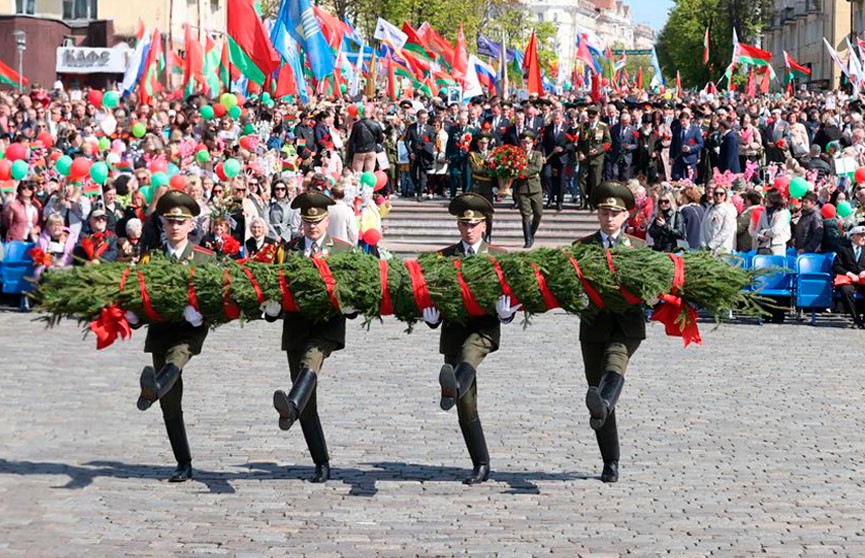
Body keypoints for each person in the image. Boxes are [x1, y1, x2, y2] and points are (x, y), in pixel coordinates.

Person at [421, 193, 519, 484]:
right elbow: (431, 293)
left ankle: (452, 387)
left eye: (474, 224)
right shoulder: (444, 258)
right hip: (454, 330)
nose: (468, 229)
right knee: (466, 404)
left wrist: (506, 313)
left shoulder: (499, 258)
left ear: (484, 226)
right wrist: (431, 317)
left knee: (469, 356)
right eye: (464, 224)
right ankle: (481, 462)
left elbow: (515, 294)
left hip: (484, 329)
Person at [264, 192, 355, 483]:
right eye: (307, 221)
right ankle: (321, 461)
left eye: (317, 221)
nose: (312, 226)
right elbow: (273, 283)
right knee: (307, 404)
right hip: (296, 327)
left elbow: (355, 288)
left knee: (310, 363)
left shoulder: (342, 251)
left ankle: (290, 404)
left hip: (326, 327)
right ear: (301, 223)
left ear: (327, 221)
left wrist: (350, 302)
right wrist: (271, 306)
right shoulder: (288, 250)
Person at [130, 190, 215, 482]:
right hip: (161, 330)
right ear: (163, 225)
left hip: (189, 331)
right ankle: (183, 462)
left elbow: (219, 298)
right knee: (170, 403)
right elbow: (141, 296)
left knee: (177, 359)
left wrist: (201, 312)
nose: (175, 227)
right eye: (170, 222)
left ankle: (153, 386)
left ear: (192, 225)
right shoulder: (151, 260)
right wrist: (133, 316)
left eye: (181, 222)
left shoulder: (204, 259)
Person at [574, 181, 645, 483]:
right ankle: (610, 460)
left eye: (615, 213)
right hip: (593, 326)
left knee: (614, 368)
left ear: (626, 216)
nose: (609, 218)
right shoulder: (582, 248)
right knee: (598, 394)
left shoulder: (638, 248)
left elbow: (650, 287)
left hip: (626, 327)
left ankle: (610, 458)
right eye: (604, 212)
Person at [513, 131, 545, 248]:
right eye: (524, 142)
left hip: (536, 188)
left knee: (538, 213)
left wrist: (522, 172)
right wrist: (523, 172)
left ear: (533, 144)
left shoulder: (537, 155)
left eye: (529, 143)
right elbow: (513, 170)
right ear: (520, 143)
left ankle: (531, 234)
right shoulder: (516, 155)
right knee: (525, 215)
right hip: (522, 189)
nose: (526, 145)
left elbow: (537, 168)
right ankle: (527, 240)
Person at [577, 105, 610, 210]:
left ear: (598, 115)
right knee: (581, 178)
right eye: (589, 114)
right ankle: (583, 201)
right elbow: (579, 143)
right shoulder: (583, 126)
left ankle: (593, 202)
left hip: (597, 158)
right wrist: (580, 153)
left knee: (596, 181)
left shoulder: (603, 126)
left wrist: (598, 149)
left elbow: (608, 142)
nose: (591, 116)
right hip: (585, 157)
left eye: (594, 114)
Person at [832, 224, 865, 328]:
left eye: (864, 235)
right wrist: (849, 274)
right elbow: (836, 266)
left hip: (863, 279)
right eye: (860, 235)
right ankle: (856, 319)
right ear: (853, 236)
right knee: (846, 291)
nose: (863, 238)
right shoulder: (843, 248)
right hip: (849, 279)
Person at [405, 109, 435, 201]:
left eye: (425, 118)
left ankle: (420, 194)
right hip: (414, 154)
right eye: (422, 118)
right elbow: (406, 141)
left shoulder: (429, 128)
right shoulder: (412, 127)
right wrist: (410, 152)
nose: (424, 120)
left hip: (424, 154)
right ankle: (419, 187)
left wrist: (426, 146)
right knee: (412, 174)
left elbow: (432, 141)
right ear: (418, 118)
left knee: (423, 174)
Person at [753, 189, 791, 256]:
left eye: (767, 197)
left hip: (777, 246)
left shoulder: (783, 213)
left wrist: (763, 232)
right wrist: (760, 237)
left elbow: (775, 230)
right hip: (763, 247)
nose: (765, 199)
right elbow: (756, 231)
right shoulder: (764, 213)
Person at [700, 186, 737, 254]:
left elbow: (726, 230)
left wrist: (711, 245)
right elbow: (703, 226)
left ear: (725, 195)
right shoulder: (709, 209)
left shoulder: (728, 210)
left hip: (722, 248)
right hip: (707, 247)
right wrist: (703, 244)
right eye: (716, 194)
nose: (718, 196)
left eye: (721, 194)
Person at [670, 110, 703, 180]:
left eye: (684, 121)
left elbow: (700, 144)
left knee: (690, 180)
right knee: (676, 179)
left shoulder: (695, 129)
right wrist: (671, 157)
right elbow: (673, 144)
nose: (682, 123)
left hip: (690, 159)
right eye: (681, 121)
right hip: (678, 159)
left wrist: (690, 148)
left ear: (688, 120)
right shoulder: (676, 129)